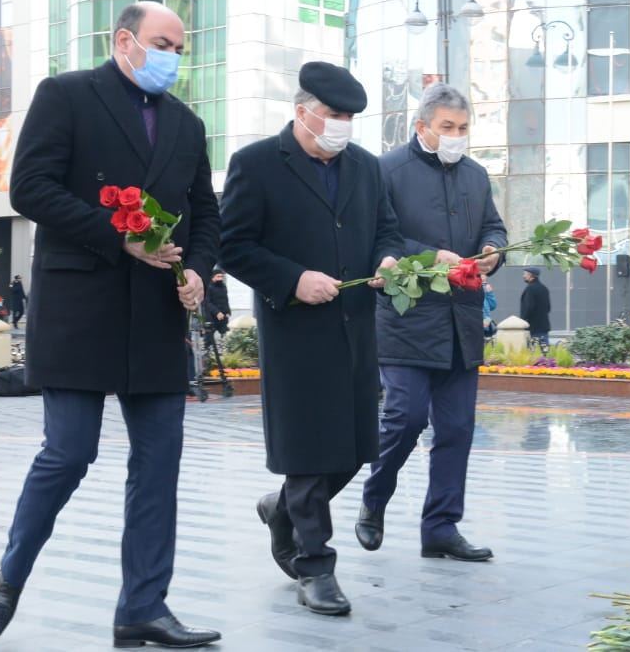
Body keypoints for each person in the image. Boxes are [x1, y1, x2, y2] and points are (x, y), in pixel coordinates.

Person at [0, 2, 221, 647]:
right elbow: (29, 188)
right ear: (124, 40)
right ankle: (10, 571)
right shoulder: (66, 96)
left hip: (157, 315)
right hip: (81, 308)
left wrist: (197, 267)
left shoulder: (188, 124)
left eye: (181, 46)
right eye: (162, 42)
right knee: (69, 453)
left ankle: (142, 607)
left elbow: (204, 210)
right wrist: (119, 237)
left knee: (158, 463)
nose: (174, 55)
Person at [220, 62, 402, 616]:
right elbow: (235, 245)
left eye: (349, 118)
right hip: (296, 332)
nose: (342, 125)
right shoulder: (256, 164)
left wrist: (386, 259)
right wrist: (293, 279)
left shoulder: (366, 169)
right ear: (302, 112)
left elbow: (386, 228)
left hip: (355, 325)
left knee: (352, 448)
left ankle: (282, 510)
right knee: (308, 451)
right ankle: (315, 566)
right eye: (333, 115)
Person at [356, 84, 507, 564]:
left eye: (463, 129)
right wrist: (425, 255)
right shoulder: (386, 171)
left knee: (457, 429)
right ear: (421, 126)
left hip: (461, 320)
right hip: (406, 318)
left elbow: (493, 225)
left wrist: (493, 250)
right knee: (404, 419)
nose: (456, 136)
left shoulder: (478, 175)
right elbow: (377, 236)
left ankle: (441, 527)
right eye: (447, 128)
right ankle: (374, 499)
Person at [519, 267, 551, 350]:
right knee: (544, 353)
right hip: (543, 326)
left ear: (531, 276)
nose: (523, 276)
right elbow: (548, 308)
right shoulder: (544, 288)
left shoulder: (530, 289)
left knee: (533, 354)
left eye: (525, 274)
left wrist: (522, 321)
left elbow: (528, 308)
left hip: (532, 328)